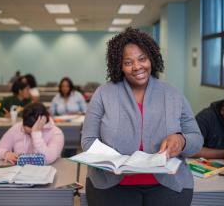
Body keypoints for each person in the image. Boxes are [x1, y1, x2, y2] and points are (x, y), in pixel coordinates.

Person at [81, 28, 203, 206]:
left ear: (151, 58)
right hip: (110, 185)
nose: (137, 67)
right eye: (128, 62)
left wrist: (181, 140)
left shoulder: (172, 94)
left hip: (167, 185)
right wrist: (113, 162)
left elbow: (196, 138)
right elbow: (88, 141)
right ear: (119, 66)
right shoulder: (103, 94)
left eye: (142, 59)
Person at [0, 103, 64, 165]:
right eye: (26, 132)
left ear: (42, 123)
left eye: (31, 133)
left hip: (47, 175)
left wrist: (36, 134)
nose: (29, 135)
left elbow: (47, 159)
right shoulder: (18, 127)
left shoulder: (56, 133)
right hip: (19, 174)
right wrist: (5, 154)